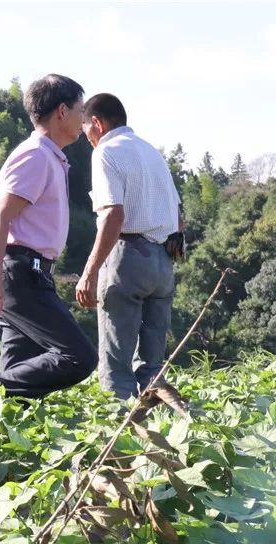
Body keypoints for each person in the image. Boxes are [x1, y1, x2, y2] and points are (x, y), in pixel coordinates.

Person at [0, 74, 97, 398]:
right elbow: (1, 216)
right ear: (60, 111)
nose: (83, 120)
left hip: (30, 273)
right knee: (79, 357)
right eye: (79, 111)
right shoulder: (36, 155)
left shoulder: (49, 156)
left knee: (18, 391)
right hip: (21, 274)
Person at [76, 93, 184, 400]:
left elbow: (113, 215)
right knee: (152, 368)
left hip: (128, 259)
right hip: (164, 262)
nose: (86, 139)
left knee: (115, 367)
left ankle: (117, 438)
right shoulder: (152, 152)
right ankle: (164, 433)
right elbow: (179, 213)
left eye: (86, 130)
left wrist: (90, 272)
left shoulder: (106, 152)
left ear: (96, 123)